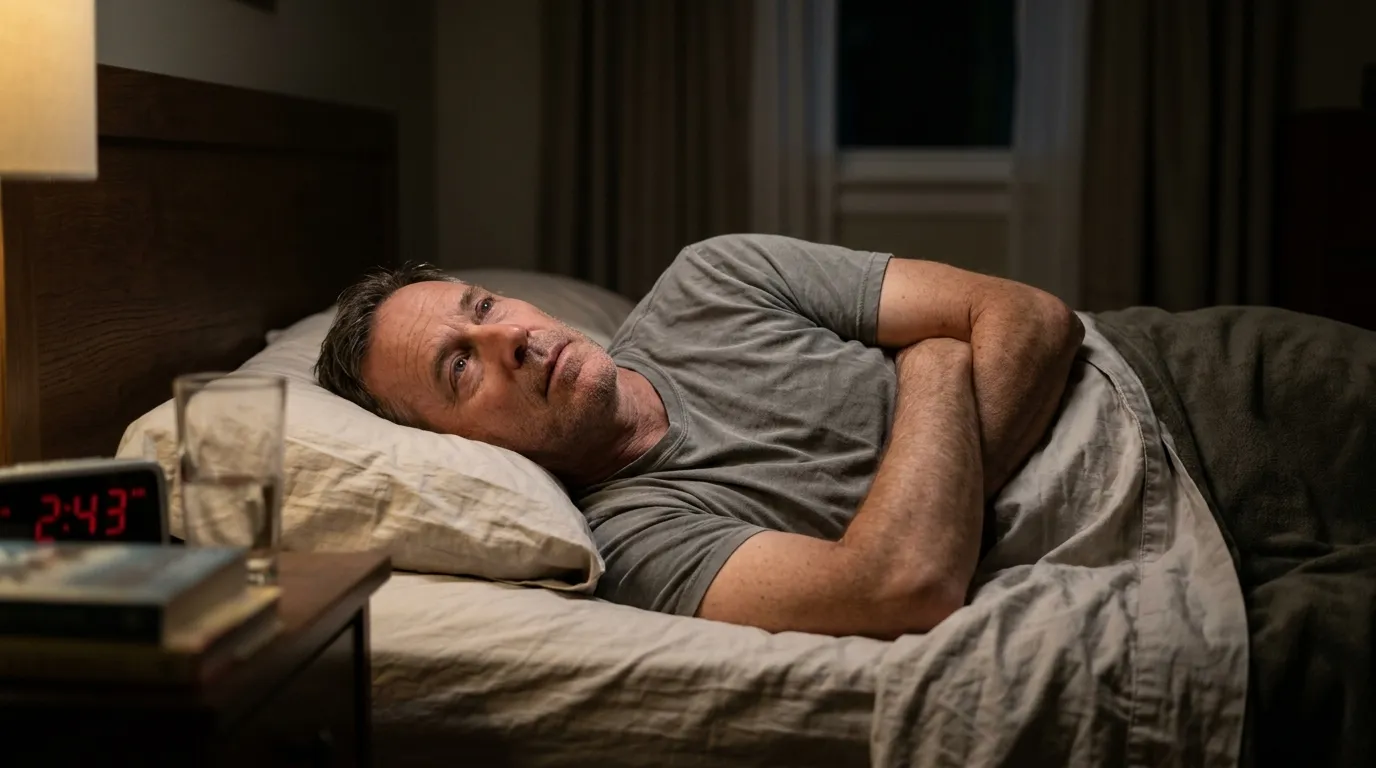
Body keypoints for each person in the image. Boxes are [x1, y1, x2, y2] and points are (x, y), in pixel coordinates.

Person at [316, 234, 1376, 766]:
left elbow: (1025, 315)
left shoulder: (710, 279)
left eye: (484, 306)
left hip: (1183, 381)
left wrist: (943, 488)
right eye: (461, 368)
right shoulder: (635, 543)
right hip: (1166, 570)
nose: (509, 337)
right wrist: (927, 368)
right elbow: (899, 583)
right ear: (456, 450)